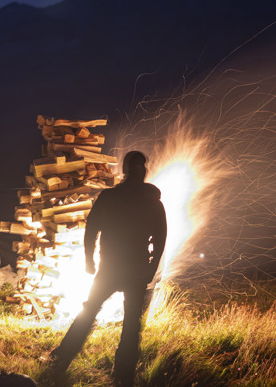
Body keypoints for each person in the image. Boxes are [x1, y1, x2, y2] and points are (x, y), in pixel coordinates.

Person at [48, 150, 167, 387]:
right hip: (129, 270)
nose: (141, 170)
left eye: (142, 166)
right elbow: (161, 237)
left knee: (93, 311)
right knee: (129, 322)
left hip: (115, 269)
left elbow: (92, 229)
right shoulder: (150, 201)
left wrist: (89, 260)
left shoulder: (114, 197)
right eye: (139, 166)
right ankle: (123, 375)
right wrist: (150, 269)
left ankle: (63, 358)